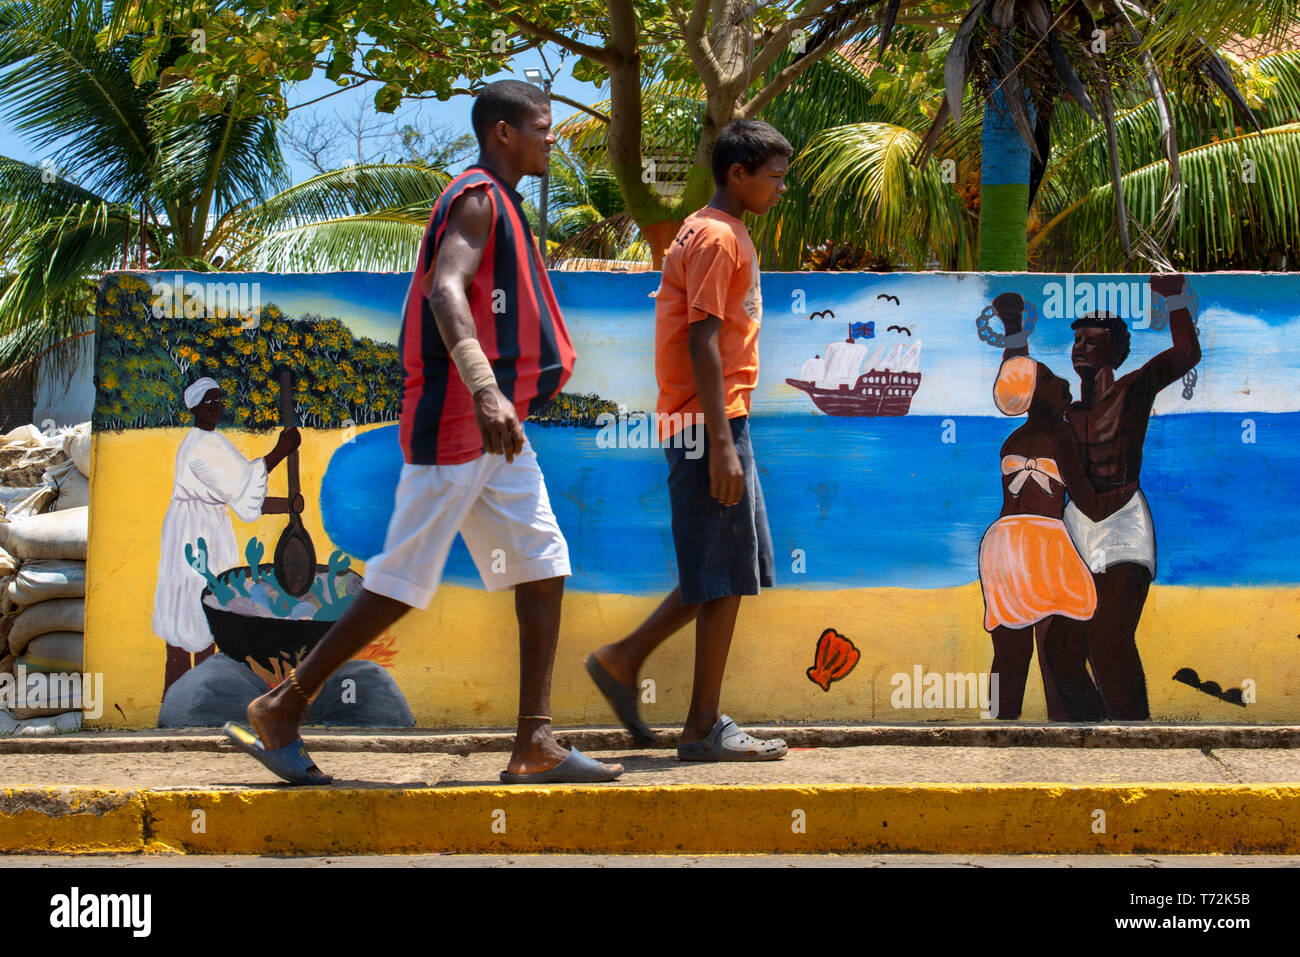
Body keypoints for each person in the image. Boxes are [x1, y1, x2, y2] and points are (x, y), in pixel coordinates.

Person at [224, 79, 622, 785]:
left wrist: (499, 400)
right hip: (463, 417)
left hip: (498, 426)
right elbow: (446, 290)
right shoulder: (475, 198)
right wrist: (483, 384)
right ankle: (283, 704)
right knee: (404, 578)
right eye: (541, 126)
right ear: (503, 132)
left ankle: (535, 742)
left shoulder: (501, 203)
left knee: (542, 562)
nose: (551, 138)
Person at [584, 120, 791, 761]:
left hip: (717, 421)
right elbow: (701, 340)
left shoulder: (719, 232)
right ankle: (699, 727)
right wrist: (722, 442)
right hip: (710, 425)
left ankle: (626, 662)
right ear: (738, 173)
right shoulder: (717, 238)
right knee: (723, 571)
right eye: (775, 176)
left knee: (729, 569)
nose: (781, 188)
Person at [1001, 275, 1200, 719]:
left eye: (1093, 341)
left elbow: (1186, 354)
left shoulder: (1132, 392)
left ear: (1115, 351)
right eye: (1077, 341)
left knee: (1108, 637)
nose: (1080, 348)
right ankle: (1090, 734)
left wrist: (1173, 297)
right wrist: (1014, 329)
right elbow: (1018, 386)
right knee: (1061, 652)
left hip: (1123, 521)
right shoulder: (1065, 412)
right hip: (1075, 526)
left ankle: (1135, 737)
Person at [980, 352, 1137, 721]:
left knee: (1009, 654)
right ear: (1036, 394)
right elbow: (1090, 505)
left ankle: (999, 733)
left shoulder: (1012, 440)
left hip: (1001, 545)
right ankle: (1092, 726)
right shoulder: (1059, 434)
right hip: (1042, 542)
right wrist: (1125, 487)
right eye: (1051, 379)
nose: (1063, 383)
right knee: (1064, 653)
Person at [153, 377, 299, 696]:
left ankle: (201, 699)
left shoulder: (215, 442)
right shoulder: (199, 447)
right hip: (192, 535)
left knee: (208, 613)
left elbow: (243, 489)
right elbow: (241, 487)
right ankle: (177, 698)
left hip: (209, 528)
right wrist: (281, 450)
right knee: (189, 611)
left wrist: (287, 507)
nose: (216, 407)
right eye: (209, 402)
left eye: (219, 400)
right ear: (194, 408)